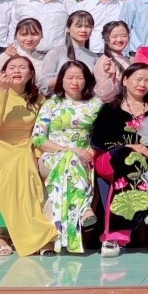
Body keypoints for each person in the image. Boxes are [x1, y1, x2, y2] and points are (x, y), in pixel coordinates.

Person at [0, 55, 57, 256]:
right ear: (3, 73)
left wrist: (38, 153)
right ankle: (39, 236)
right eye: (12, 67)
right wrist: (3, 91)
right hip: (0, 148)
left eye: (22, 67)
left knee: (26, 170)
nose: (16, 71)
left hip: (27, 147)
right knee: (19, 168)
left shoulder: (39, 100)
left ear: (31, 73)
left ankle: (2, 233)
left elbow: (40, 132)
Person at [90, 62, 148, 257]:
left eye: (147, 80)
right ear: (125, 80)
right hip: (109, 159)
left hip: (144, 162)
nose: (142, 84)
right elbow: (98, 140)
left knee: (131, 166)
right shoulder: (110, 108)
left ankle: (112, 239)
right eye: (138, 79)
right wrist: (130, 146)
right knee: (128, 157)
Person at [32, 60, 102, 254]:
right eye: (70, 77)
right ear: (61, 80)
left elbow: (100, 138)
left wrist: (90, 153)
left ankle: (54, 238)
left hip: (84, 159)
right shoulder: (51, 104)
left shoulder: (95, 104)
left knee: (70, 164)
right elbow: (38, 138)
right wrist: (68, 150)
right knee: (69, 158)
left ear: (87, 80)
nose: (74, 82)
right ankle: (84, 208)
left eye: (79, 78)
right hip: (52, 156)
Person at [39, 10, 99, 95]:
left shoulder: (94, 57)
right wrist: (64, 75)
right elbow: (43, 85)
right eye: (78, 26)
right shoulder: (56, 52)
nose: (83, 30)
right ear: (68, 28)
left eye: (88, 26)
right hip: (60, 100)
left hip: (85, 101)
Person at [0, 17, 48, 87]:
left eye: (34, 34)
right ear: (15, 36)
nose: (29, 39)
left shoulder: (45, 59)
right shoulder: (7, 56)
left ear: (41, 35)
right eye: (24, 35)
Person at [93, 20, 133, 103]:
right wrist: (112, 75)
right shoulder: (105, 61)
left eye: (124, 36)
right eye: (114, 36)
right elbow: (103, 94)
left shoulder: (126, 60)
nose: (119, 39)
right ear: (106, 39)